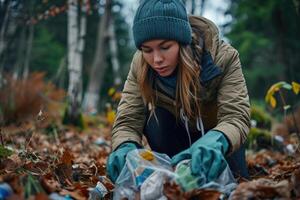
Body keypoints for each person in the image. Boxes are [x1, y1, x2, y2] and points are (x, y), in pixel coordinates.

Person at [106, 0, 250, 184]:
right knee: (155, 119)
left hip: (216, 141)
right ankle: (173, 175)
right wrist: (124, 145)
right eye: (147, 50)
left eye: (165, 47)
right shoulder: (140, 64)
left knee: (236, 181)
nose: (156, 59)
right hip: (172, 140)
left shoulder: (224, 58)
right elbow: (128, 119)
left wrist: (218, 139)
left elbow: (236, 116)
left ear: (183, 41)